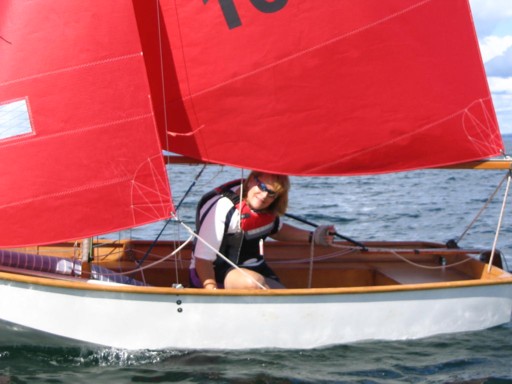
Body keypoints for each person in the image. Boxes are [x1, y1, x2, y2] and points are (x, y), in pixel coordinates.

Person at [190, 171, 335, 290]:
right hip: (216, 271)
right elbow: (203, 259)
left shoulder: (267, 208)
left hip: (254, 268)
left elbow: (277, 230)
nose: (264, 196)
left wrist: (314, 236)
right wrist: (211, 291)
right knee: (255, 283)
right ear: (251, 180)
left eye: (272, 193)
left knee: (283, 297)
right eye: (263, 187)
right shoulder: (223, 208)